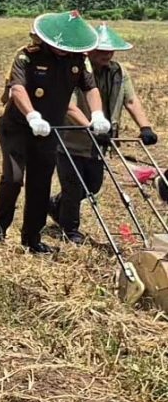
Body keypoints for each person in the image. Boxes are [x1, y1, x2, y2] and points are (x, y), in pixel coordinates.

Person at [0, 10, 109, 254]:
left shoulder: (78, 60)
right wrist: (32, 115)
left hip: (49, 131)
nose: (63, 49)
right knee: (13, 178)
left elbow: (90, 88)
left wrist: (97, 115)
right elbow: (18, 89)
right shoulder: (27, 56)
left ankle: (31, 239)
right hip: (18, 128)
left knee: (41, 184)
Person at [50, 23, 158, 244]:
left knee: (93, 185)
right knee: (73, 185)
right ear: (89, 49)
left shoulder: (118, 72)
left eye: (111, 50)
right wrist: (91, 127)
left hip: (100, 142)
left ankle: (54, 205)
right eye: (102, 50)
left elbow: (130, 99)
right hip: (71, 139)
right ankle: (70, 230)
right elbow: (69, 106)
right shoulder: (74, 70)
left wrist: (145, 127)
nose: (108, 55)